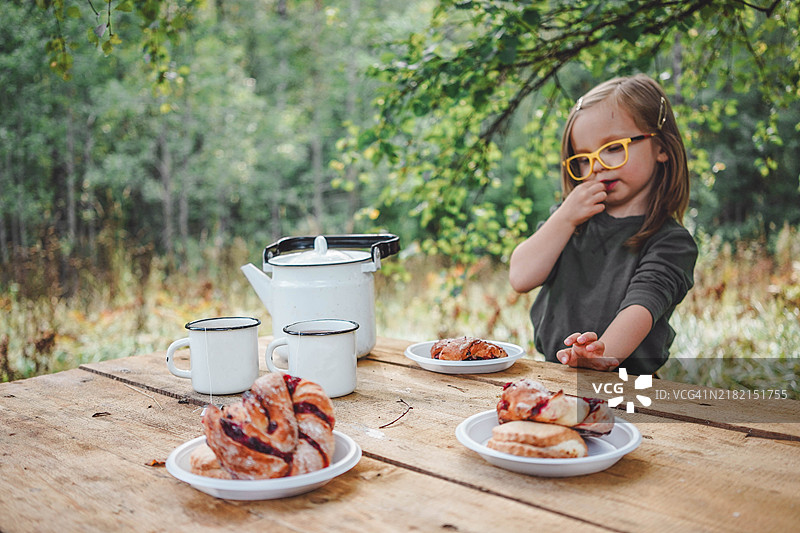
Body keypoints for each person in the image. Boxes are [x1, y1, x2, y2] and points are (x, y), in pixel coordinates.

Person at [508, 74, 697, 375]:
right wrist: (566, 216)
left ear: (660, 146)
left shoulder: (671, 242)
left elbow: (641, 306)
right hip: (558, 376)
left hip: (628, 387)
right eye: (583, 158)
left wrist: (601, 354)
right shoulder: (572, 222)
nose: (595, 166)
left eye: (612, 148)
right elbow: (520, 276)